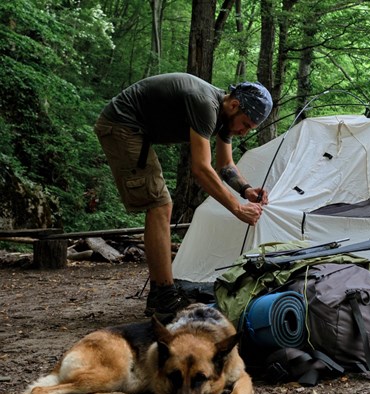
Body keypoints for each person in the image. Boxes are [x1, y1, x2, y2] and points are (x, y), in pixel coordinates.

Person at [94, 72, 272, 322]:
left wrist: (246, 190)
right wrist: (238, 209)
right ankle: (165, 296)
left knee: (160, 205)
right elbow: (201, 168)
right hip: (121, 124)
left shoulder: (225, 118)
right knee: (160, 205)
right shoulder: (205, 104)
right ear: (234, 105)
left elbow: (225, 165)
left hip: (137, 130)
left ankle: (160, 295)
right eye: (246, 124)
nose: (244, 132)